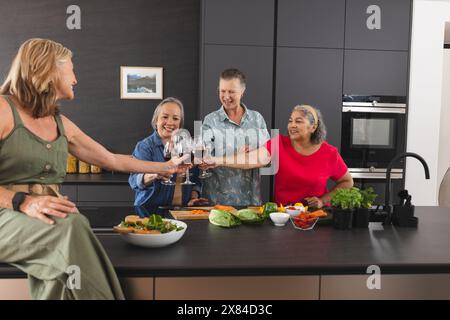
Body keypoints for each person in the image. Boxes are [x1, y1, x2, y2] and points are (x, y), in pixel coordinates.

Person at [0, 38, 184, 300]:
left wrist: (167, 167)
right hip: (6, 212)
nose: (75, 78)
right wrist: (23, 201)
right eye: (71, 69)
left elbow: (113, 160)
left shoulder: (59, 123)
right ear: (50, 70)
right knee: (71, 226)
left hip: (44, 216)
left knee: (66, 252)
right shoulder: (3, 109)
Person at [205, 105, 353, 208]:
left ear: (313, 127)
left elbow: (347, 182)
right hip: (283, 216)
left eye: (298, 121)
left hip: (316, 217)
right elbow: (253, 159)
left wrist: (322, 200)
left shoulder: (329, 153)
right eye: (290, 121)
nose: (292, 125)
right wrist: (217, 160)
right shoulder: (279, 143)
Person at [201, 68, 270, 206]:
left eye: (231, 91)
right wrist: (242, 157)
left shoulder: (257, 119)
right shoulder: (210, 120)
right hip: (217, 202)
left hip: (252, 201)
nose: (226, 96)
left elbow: (267, 158)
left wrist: (221, 159)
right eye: (222, 91)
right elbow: (204, 160)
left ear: (242, 92)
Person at [129, 97, 208, 211]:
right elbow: (134, 181)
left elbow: (194, 179)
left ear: (180, 123)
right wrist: (155, 174)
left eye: (175, 118)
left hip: (182, 211)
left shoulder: (187, 147)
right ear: (156, 120)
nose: (170, 122)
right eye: (165, 117)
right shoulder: (144, 147)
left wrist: (193, 197)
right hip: (150, 211)